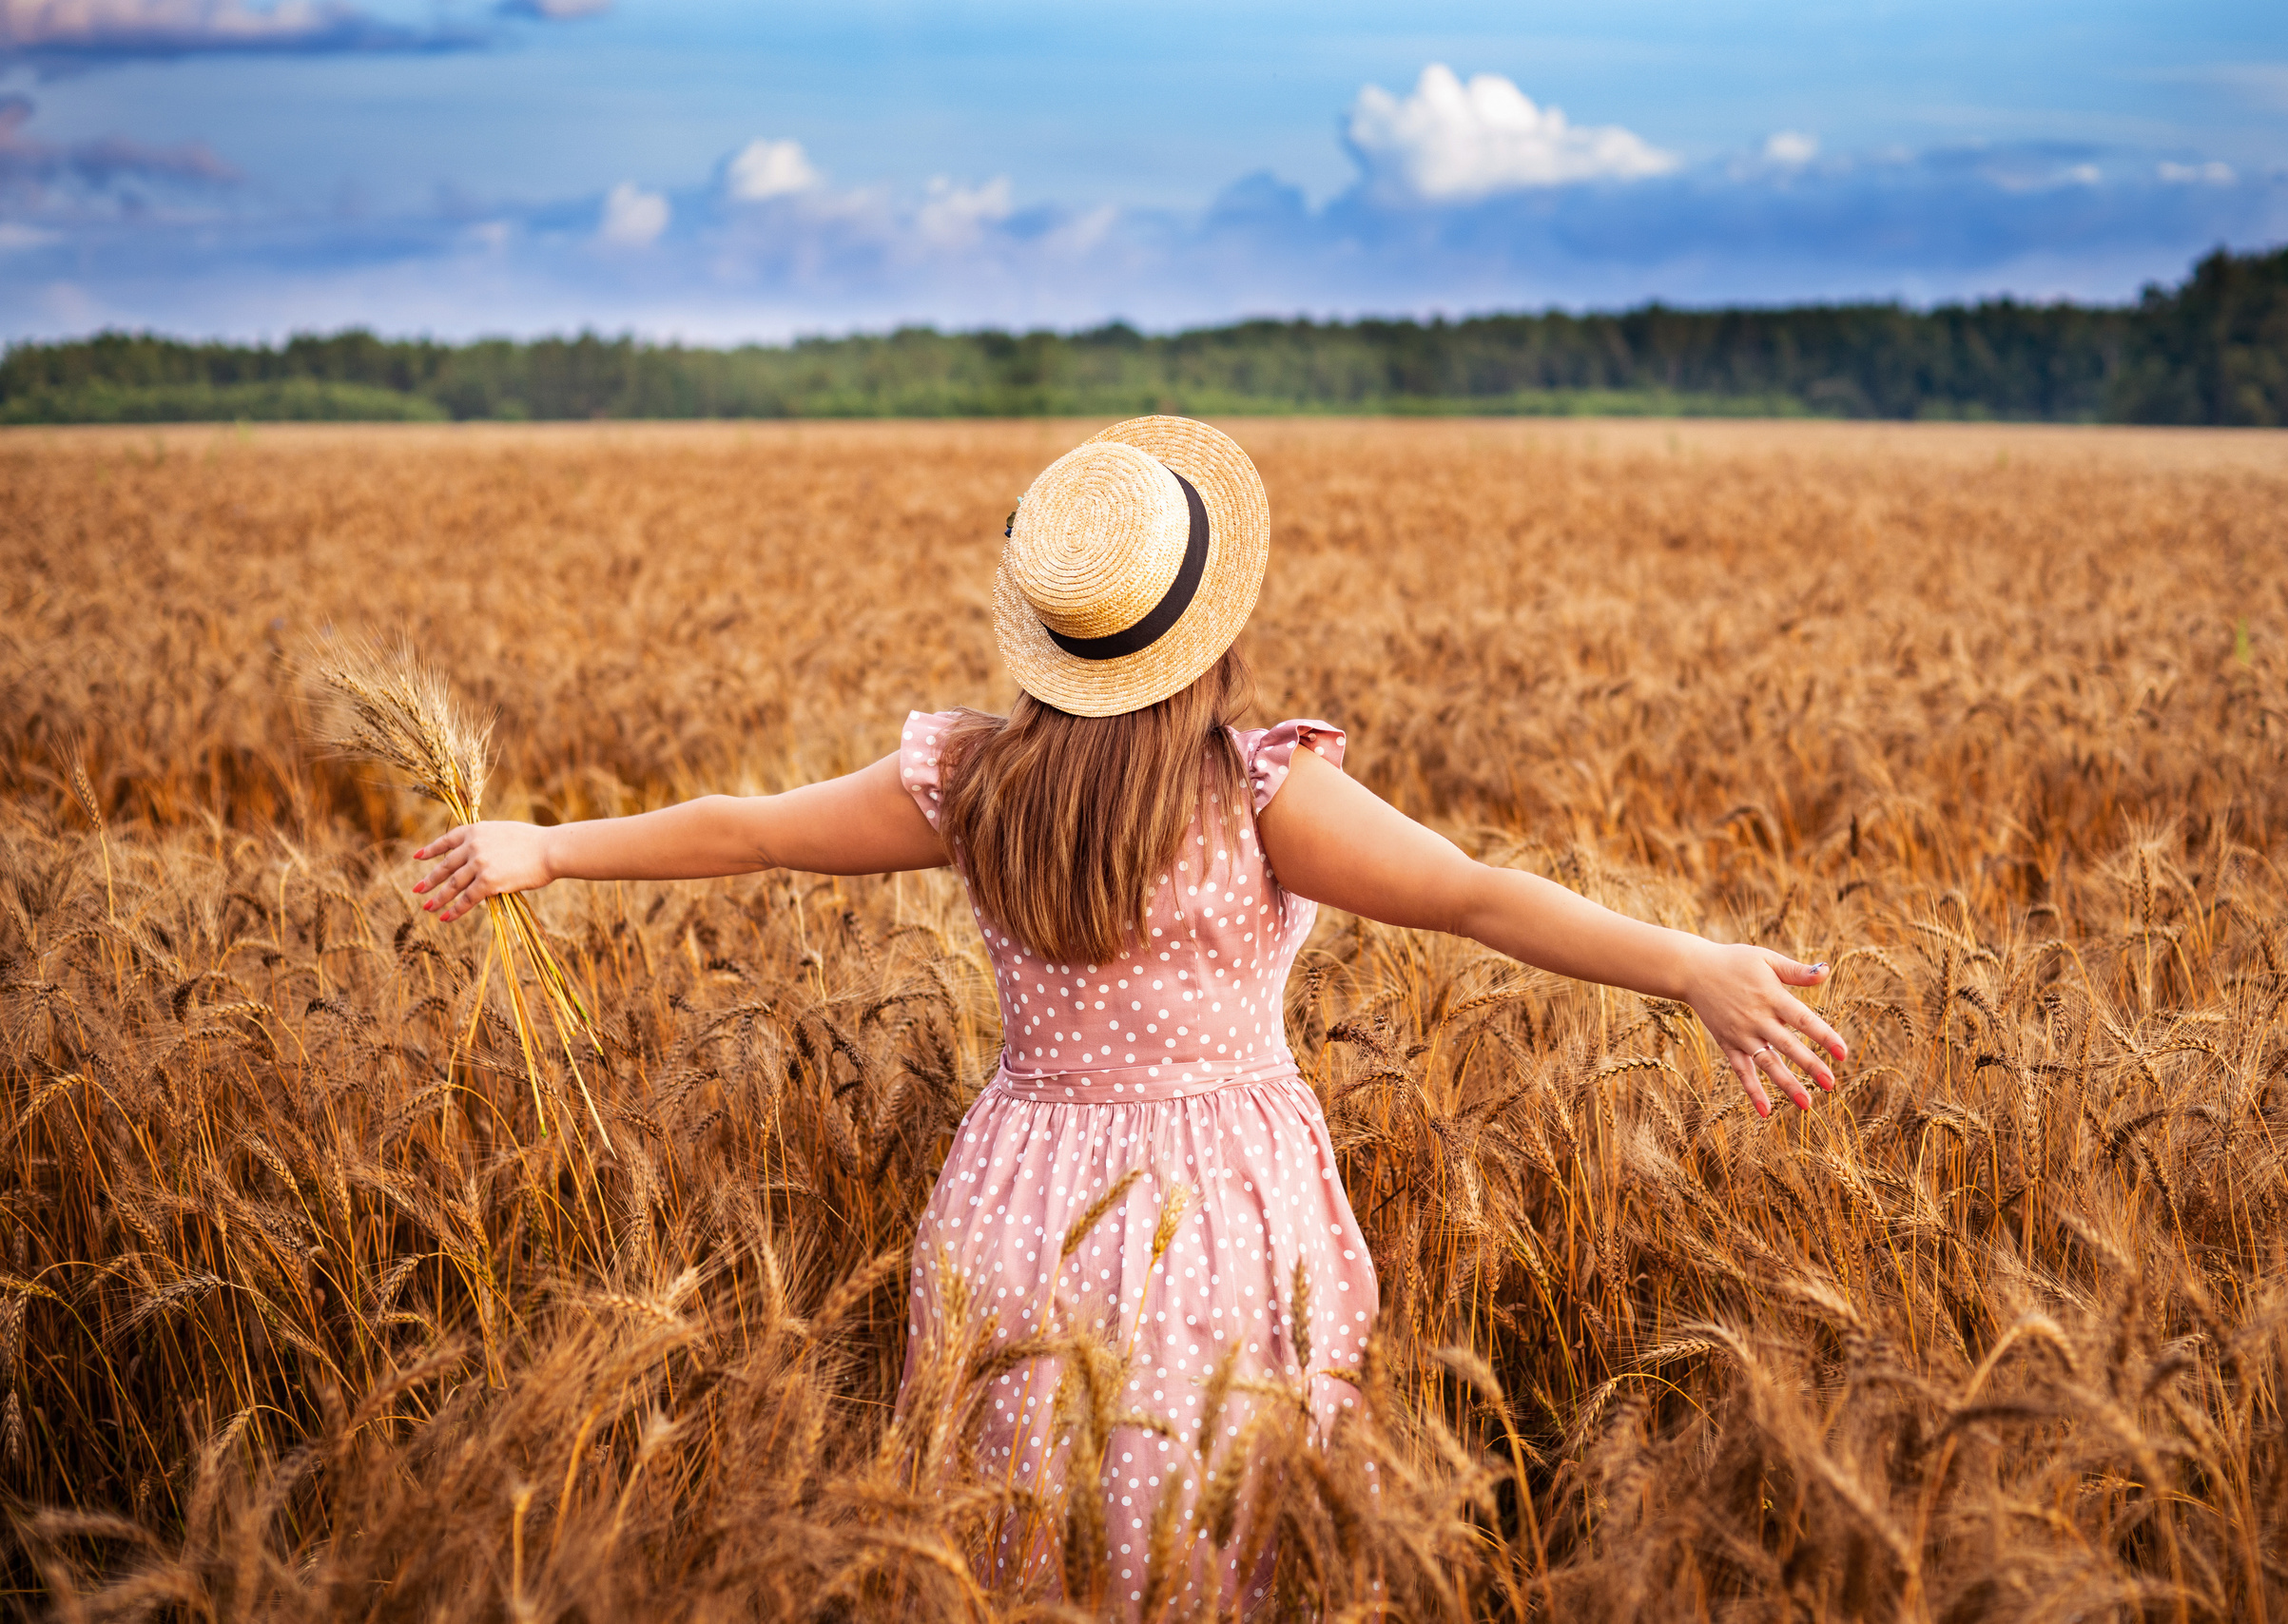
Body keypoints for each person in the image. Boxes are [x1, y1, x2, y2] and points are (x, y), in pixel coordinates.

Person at [408, 416, 1848, 1612]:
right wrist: (1687, 965)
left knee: (1013, 1535)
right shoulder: (1266, 794)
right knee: (1222, 1538)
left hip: (1017, 1206)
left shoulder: (972, 782)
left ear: (1045, 635)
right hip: (1224, 1216)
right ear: (1213, 629)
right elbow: (1476, 895)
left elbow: (751, 829)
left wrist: (547, 846)